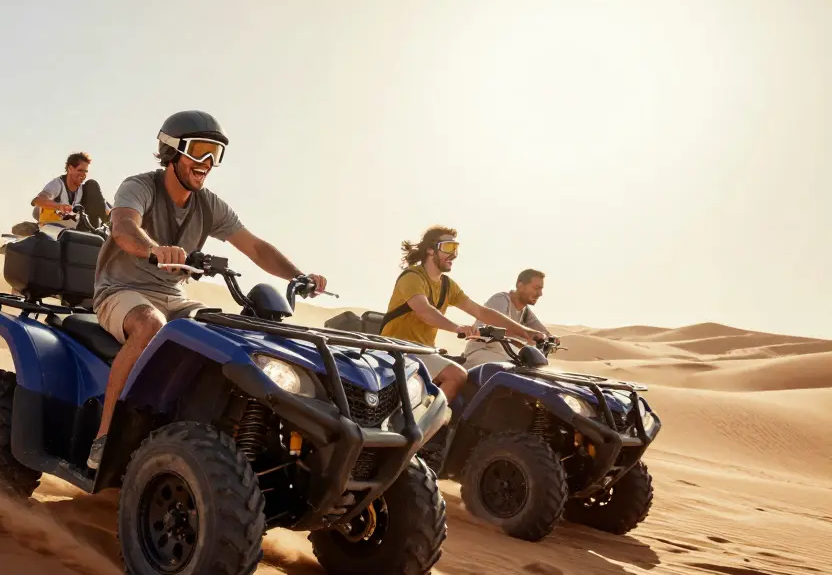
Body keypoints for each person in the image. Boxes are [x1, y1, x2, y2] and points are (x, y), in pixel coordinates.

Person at [86, 110, 327, 470]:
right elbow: (123, 226)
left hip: (175, 298)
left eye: (215, 153)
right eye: (199, 151)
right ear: (172, 151)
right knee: (151, 326)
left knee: (227, 334)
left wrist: (297, 275)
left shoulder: (209, 204)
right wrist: (154, 249)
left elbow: (256, 247)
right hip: (121, 290)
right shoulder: (140, 186)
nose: (208, 162)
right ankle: (105, 438)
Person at [380, 226, 546, 402]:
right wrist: (456, 327)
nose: (454, 254)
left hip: (423, 352)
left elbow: (481, 311)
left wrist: (526, 332)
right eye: (448, 247)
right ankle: (422, 426)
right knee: (456, 375)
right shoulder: (412, 277)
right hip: (398, 349)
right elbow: (424, 310)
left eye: (456, 248)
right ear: (430, 250)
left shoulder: (447, 285)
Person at [462, 269, 550, 368]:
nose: (540, 293)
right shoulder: (501, 299)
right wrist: (527, 334)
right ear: (520, 286)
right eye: (536, 288)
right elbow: (503, 325)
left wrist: (550, 338)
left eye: (541, 289)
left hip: (505, 354)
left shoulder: (525, 311)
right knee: (511, 371)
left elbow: (538, 330)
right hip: (482, 350)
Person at [29, 152, 111, 228]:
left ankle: (97, 234)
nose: (83, 175)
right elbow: (38, 200)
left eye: (85, 171)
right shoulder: (57, 184)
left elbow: (106, 211)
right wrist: (59, 206)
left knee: (92, 184)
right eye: (80, 170)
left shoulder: (85, 190)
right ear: (70, 169)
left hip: (72, 228)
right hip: (52, 227)